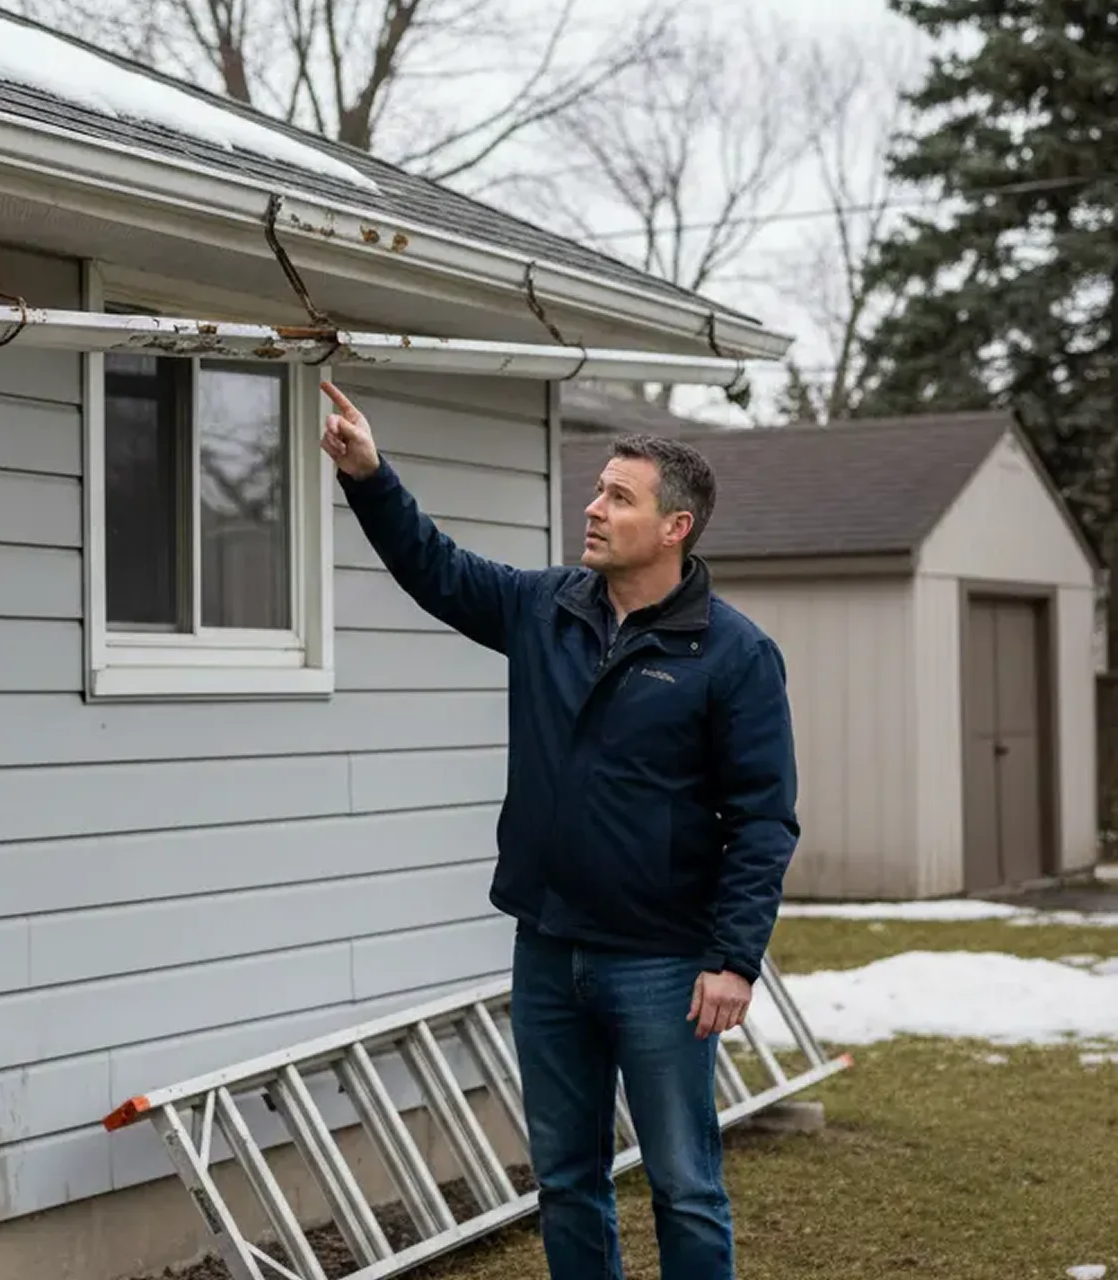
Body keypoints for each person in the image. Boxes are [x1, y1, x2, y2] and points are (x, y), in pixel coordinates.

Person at [320, 380, 798, 1280]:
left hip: (661, 963)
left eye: (619, 496)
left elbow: (764, 817)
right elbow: (437, 568)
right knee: (566, 1181)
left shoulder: (732, 655)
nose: (593, 506)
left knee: (684, 1183)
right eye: (596, 488)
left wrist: (734, 959)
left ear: (674, 528)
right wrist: (370, 477)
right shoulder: (546, 610)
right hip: (547, 948)